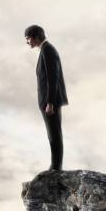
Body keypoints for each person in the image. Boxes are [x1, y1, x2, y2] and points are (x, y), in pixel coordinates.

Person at [25, 24, 68, 171]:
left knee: (54, 134)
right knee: (52, 134)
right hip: (48, 102)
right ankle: (55, 165)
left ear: (36, 37)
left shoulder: (48, 50)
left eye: (28, 38)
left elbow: (52, 78)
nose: (27, 42)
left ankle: (56, 167)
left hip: (51, 102)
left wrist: (50, 102)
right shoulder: (45, 50)